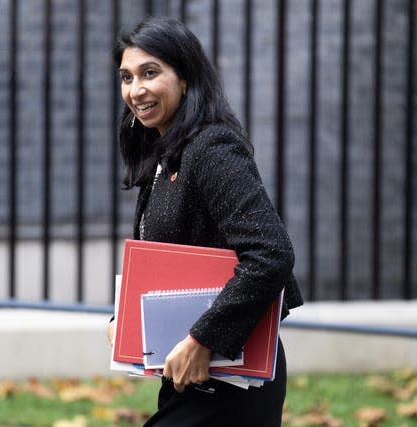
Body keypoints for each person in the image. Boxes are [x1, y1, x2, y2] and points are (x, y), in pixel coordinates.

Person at [106, 16, 304, 427]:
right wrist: (124, 323)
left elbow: (271, 254)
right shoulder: (166, 155)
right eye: (126, 77)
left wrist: (203, 339)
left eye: (150, 72)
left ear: (186, 78)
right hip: (193, 375)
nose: (135, 89)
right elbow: (169, 260)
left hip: (231, 379)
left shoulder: (211, 148)